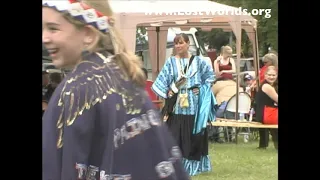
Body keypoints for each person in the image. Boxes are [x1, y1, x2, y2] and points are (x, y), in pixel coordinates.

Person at [42, 0, 190, 179]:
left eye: (53, 28)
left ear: (88, 34)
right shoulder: (124, 74)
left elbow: (55, 166)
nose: (45, 38)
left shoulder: (73, 89)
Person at [152, 33, 217, 176]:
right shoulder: (170, 62)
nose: (178, 46)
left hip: (194, 105)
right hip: (177, 104)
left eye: (181, 43)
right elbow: (161, 82)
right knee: (174, 134)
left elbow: (210, 77)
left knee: (193, 134)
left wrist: (200, 90)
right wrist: (169, 92)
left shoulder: (199, 61)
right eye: (176, 43)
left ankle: (193, 164)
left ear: (188, 44)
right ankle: (175, 165)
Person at [255, 66, 278, 150]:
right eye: (269, 75)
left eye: (273, 75)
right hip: (266, 114)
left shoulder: (271, 85)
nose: (271, 77)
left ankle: (264, 145)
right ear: (265, 75)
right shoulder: (267, 86)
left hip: (266, 113)